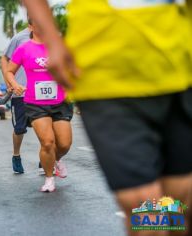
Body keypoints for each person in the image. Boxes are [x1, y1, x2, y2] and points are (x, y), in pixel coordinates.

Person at [23, 0, 192, 234]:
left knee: (182, 206)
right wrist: (53, 40)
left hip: (180, 70)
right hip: (105, 79)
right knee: (146, 210)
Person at [7, 18, 73, 192]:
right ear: (31, 26)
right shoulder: (24, 48)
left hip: (60, 101)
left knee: (64, 144)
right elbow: (9, 71)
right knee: (47, 142)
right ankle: (49, 178)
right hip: (35, 103)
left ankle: (57, 159)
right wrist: (14, 85)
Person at [1, 27, 31, 174]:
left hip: (39, 93)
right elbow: (4, 58)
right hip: (20, 93)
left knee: (45, 127)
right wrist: (9, 82)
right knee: (19, 128)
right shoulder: (19, 38)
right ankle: (16, 155)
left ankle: (45, 159)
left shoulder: (47, 35)